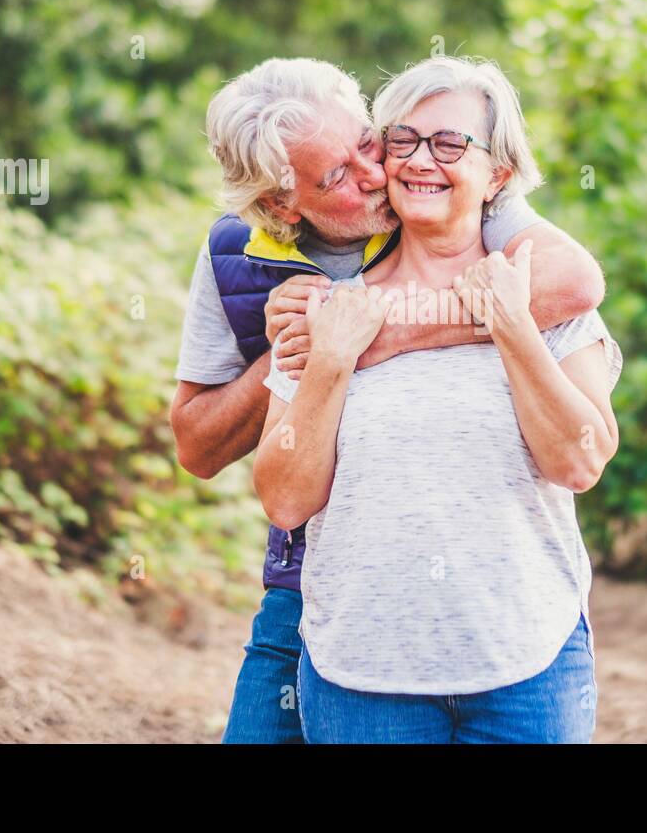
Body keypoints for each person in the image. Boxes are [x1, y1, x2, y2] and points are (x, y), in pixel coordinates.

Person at [169, 57, 607, 743]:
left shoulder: (487, 228)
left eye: (368, 144)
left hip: (513, 636)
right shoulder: (246, 261)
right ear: (283, 206)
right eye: (337, 176)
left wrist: (391, 327)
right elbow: (203, 448)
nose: (379, 172)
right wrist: (311, 341)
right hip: (316, 590)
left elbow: (578, 282)